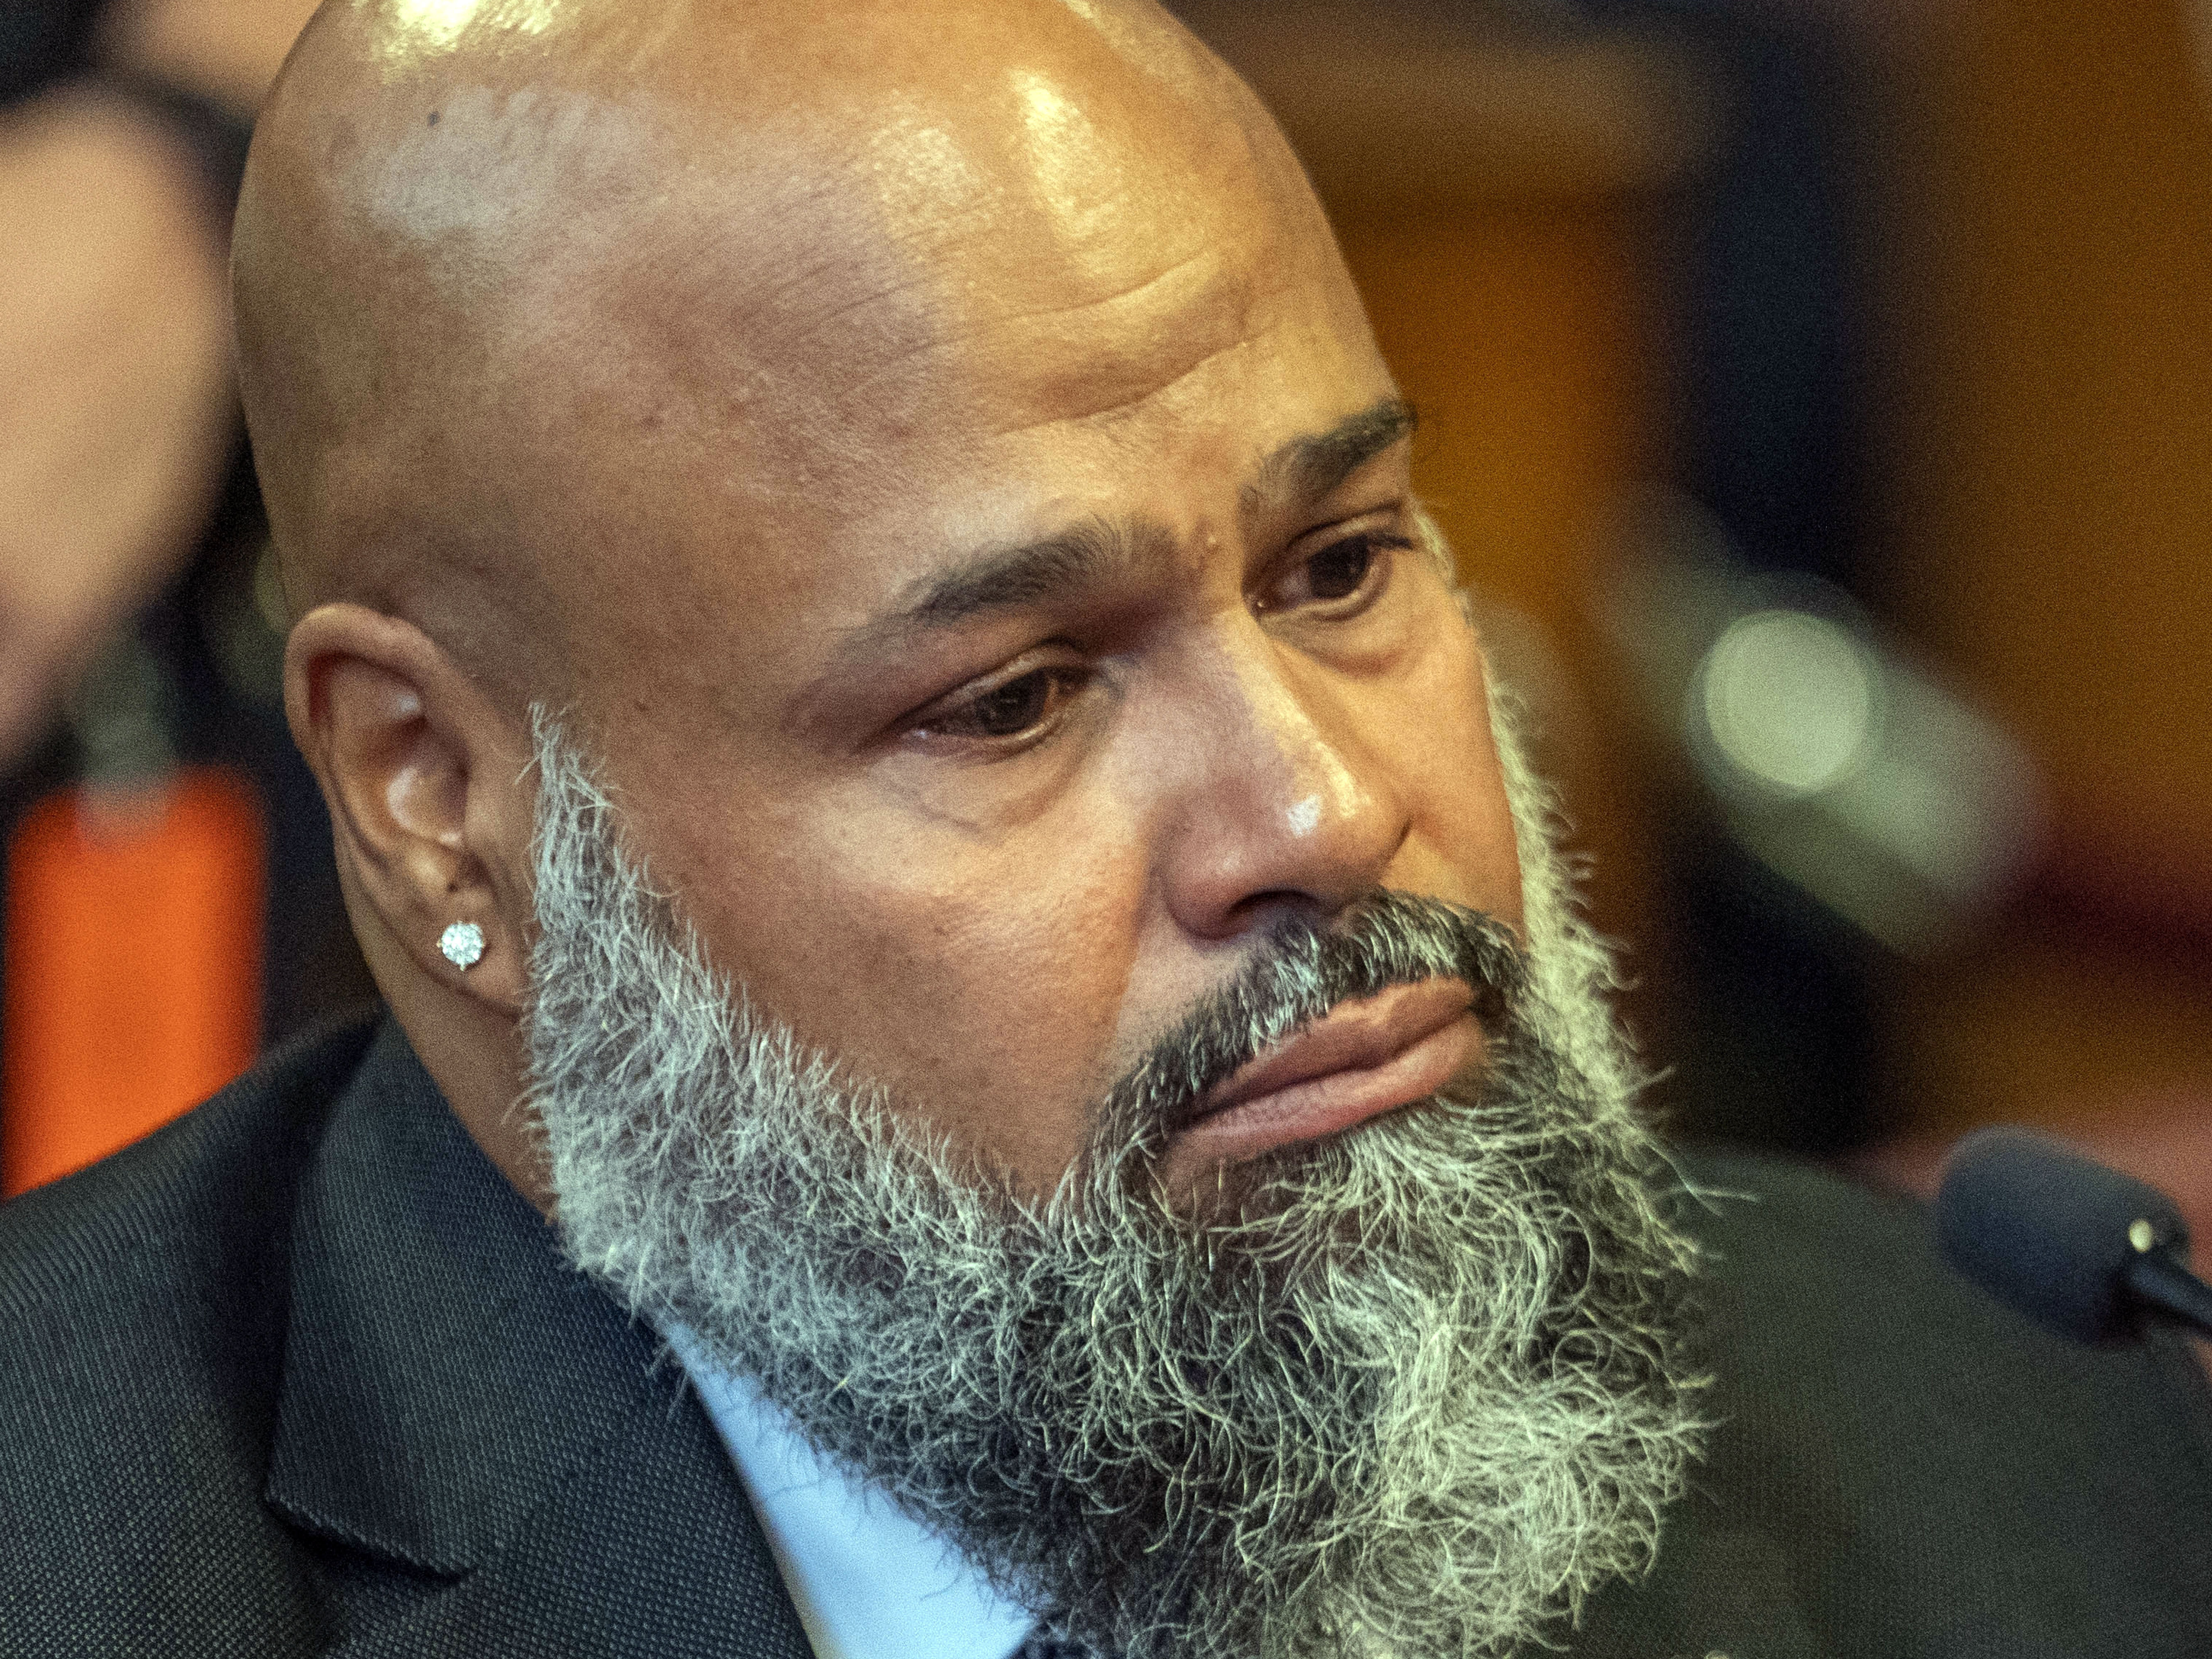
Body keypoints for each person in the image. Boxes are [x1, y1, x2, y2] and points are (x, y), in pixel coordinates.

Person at [1, 2, 2206, 1655]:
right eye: (1017, 696)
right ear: (438, 799)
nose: (1325, 805)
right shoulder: (86, 1557)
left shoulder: (2025, 1445)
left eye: (1341, 565)